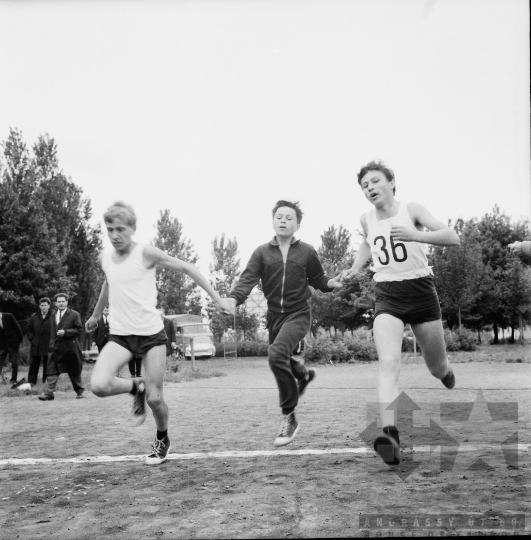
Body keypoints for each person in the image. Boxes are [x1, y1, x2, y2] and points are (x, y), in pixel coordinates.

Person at [85, 201, 234, 466]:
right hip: (120, 335)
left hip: (151, 334)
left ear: (132, 228)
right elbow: (108, 282)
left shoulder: (146, 253)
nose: (115, 235)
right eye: (109, 229)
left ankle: (162, 438)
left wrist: (217, 298)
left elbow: (187, 268)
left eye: (120, 229)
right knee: (98, 384)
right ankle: (135, 385)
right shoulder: (105, 257)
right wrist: (96, 315)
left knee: (155, 398)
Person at [340, 160, 459, 465]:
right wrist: (355, 269)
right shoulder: (367, 219)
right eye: (365, 185)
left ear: (391, 183)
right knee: (389, 362)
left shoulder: (412, 209)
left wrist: (416, 235)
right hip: (387, 294)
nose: (370, 188)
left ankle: (445, 373)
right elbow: (368, 245)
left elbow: (452, 237)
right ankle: (389, 436)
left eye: (375, 181)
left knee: (436, 367)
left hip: (420, 290)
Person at [226, 200, 343, 447]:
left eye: (289, 218)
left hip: (299, 313)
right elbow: (247, 280)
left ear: (297, 225)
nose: (283, 220)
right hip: (274, 316)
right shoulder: (262, 253)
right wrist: (234, 299)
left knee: (276, 354)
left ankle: (289, 416)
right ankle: (303, 374)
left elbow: (318, 278)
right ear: (273, 221)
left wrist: (331, 284)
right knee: (281, 357)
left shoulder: (307, 252)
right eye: (279, 216)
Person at [38, 293, 85, 401]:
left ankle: (79, 391)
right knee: (52, 370)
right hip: (56, 348)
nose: (61, 303)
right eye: (59, 301)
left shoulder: (74, 314)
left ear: (67, 302)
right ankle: (49, 393)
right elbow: (52, 332)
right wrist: (50, 345)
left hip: (70, 348)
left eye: (63, 301)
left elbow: (79, 330)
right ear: (55, 303)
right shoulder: (53, 315)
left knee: (74, 370)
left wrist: (66, 332)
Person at [26, 297, 53, 385]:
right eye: (42, 305)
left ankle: (46, 382)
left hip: (48, 344)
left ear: (49, 306)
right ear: (39, 306)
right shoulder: (34, 316)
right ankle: (31, 383)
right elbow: (28, 329)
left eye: (45, 305)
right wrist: (32, 339)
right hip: (36, 344)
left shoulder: (53, 315)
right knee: (34, 365)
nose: (44, 307)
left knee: (47, 365)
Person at [0, 311, 24, 387]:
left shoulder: (9, 316)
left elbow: (18, 328)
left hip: (13, 343)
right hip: (3, 344)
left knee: (14, 362)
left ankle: (13, 380)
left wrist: (19, 340)